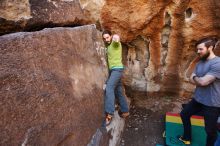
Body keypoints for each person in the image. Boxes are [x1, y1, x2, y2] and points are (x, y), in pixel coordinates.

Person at [179, 37, 220, 146]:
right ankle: (187, 138)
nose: (198, 52)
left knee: (210, 131)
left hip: (212, 103)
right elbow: (191, 78)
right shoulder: (200, 62)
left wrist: (196, 78)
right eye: (197, 49)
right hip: (198, 99)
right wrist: (197, 79)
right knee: (184, 114)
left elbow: (202, 82)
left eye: (200, 49)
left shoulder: (217, 64)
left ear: (210, 48)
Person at [101, 30, 129, 127]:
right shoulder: (108, 46)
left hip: (117, 70)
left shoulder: (114, 44)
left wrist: (116, 38)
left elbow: (117, 40)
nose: (106, 39)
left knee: (109, 88)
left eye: (107, 37)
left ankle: (109, 114)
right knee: (119, 90)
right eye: (104, 38)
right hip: (115, 71)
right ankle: (125, 111)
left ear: (111, 36)